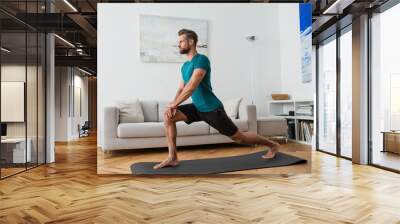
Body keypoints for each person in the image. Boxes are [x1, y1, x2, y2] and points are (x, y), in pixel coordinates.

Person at [153, 29, 280, 169]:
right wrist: (173, 105)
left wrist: (173, 104)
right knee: (168, 117)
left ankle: (273, 145)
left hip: (211, 108)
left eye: (181, 41)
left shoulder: (202, 60)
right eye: (179, 42)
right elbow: (181, 89)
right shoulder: (184, 66)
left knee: (239, 138)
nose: (179, 44)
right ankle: (173, 157)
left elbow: (191, 87)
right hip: (197, 107)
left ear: (191, 42)